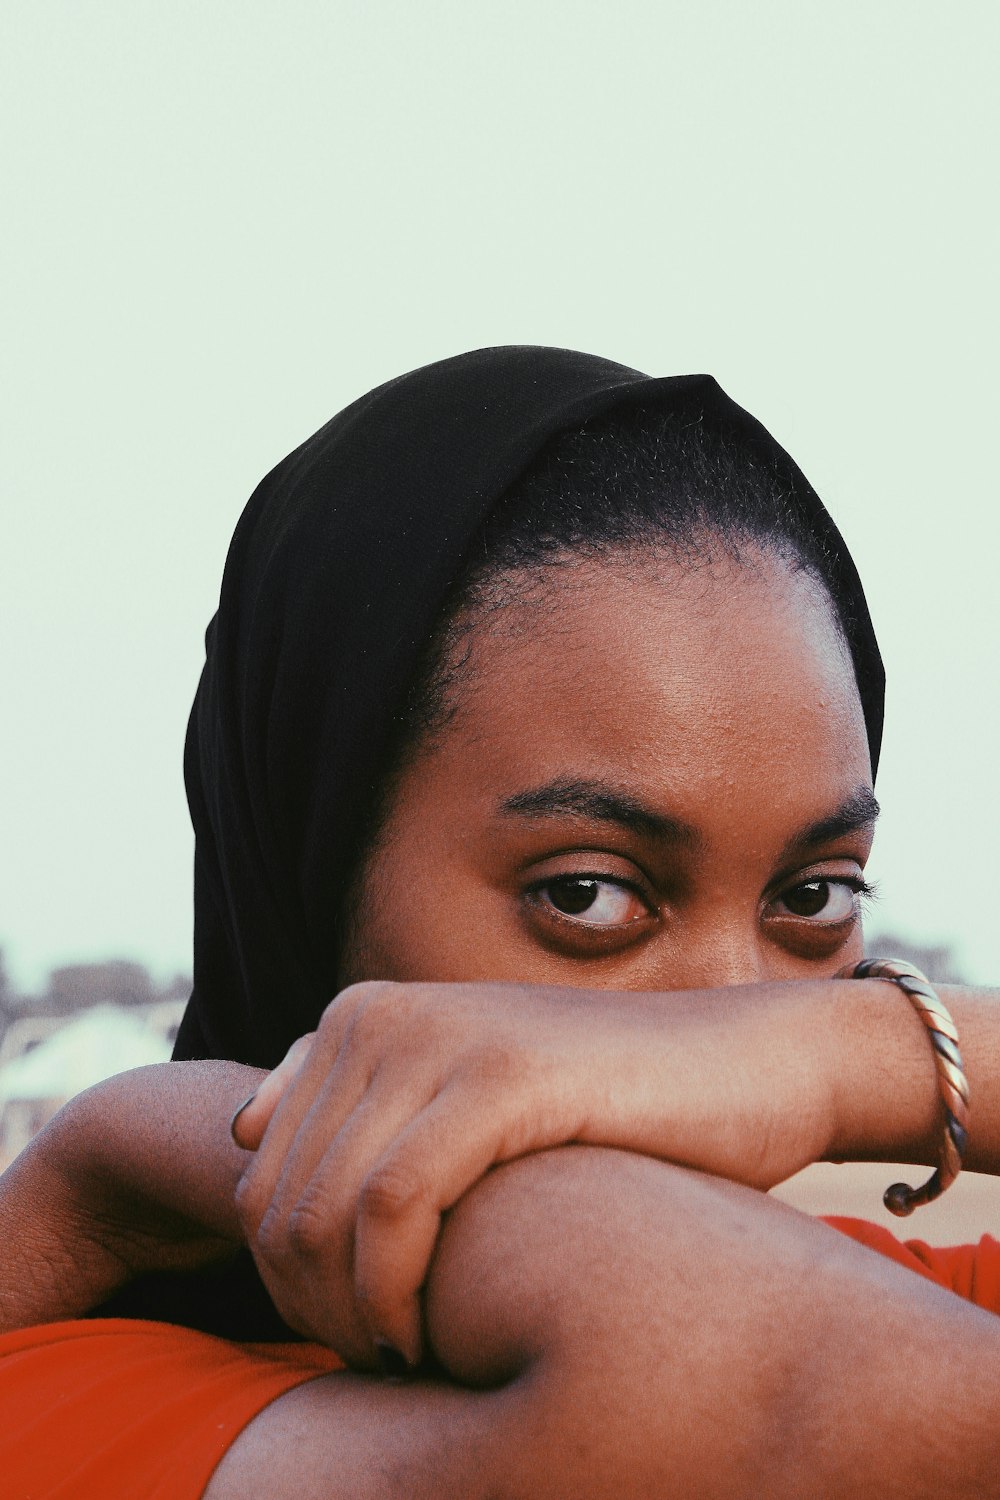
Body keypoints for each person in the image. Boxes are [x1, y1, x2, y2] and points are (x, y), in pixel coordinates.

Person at [2, 346, 1000, 1498]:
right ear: (312, 870)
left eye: (812, 897)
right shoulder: (63, 1402)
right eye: (587, 895)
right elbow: (738, 1392)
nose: (728, 1032)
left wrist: (845, 1057)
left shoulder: (887, 1291)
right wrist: (200, 1140)